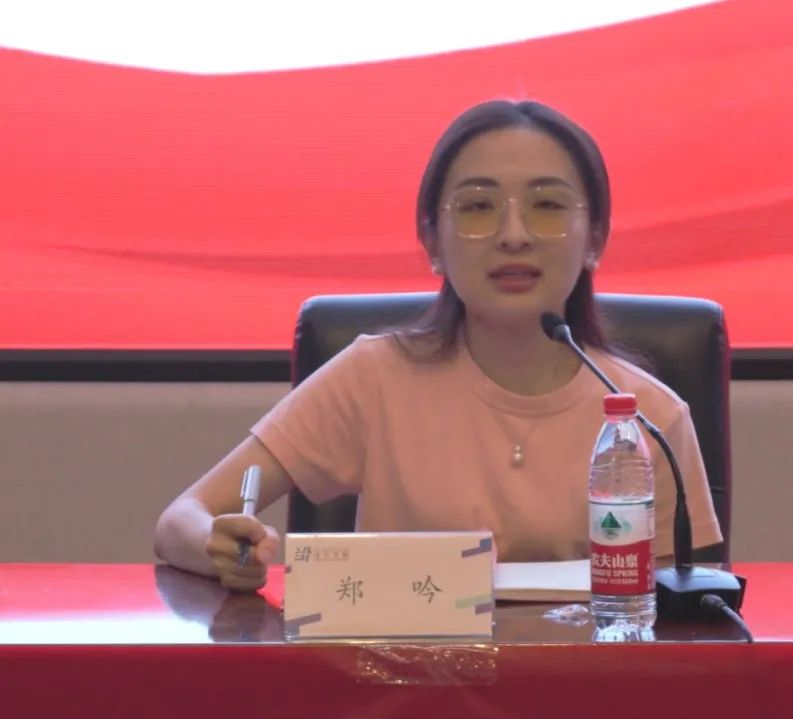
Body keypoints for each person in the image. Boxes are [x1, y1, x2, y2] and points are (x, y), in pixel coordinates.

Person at [154, 99, 723, 591]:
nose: (514, 234)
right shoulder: (374, 379)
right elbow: (181, 519)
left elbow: (678, 625)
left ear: (595, 237)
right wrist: (221, 546)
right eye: (477, 207)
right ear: (431, 241)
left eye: (548, 206)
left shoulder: (649, 418)